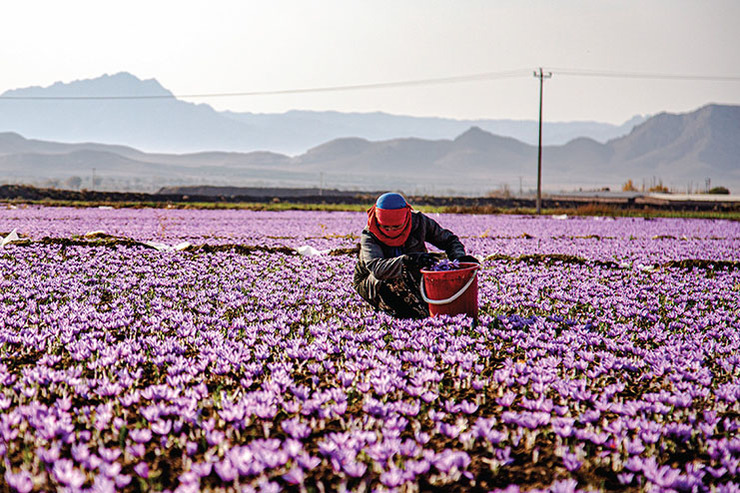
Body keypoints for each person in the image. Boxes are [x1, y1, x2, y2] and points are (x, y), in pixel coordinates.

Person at [353, 192, 479, 319]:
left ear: (406, 218)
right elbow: (377, 269)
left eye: (396, 227)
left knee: (436, 270)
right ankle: (396, 311)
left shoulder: (419, 222)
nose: (390, 231)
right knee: (402, 305)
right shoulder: (370, 234)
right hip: (372, 281)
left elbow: (449, 240)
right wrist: (407, 260)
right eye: (385, 227)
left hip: (412, 274)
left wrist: (459, 258)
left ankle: (421, 308)